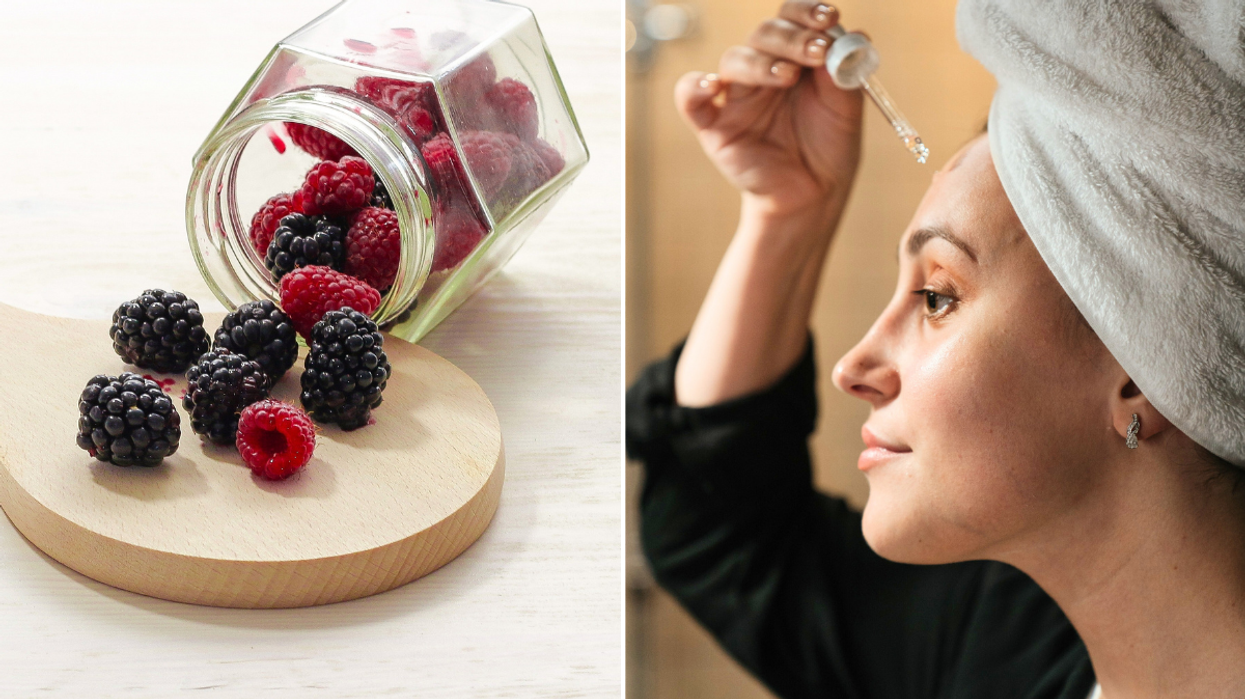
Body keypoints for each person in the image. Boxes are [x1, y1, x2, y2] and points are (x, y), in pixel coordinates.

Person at [625, 1, 1245, 697]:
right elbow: (723, 535)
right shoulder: (1000, 642)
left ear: (1139, 374)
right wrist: (787, 212)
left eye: (936, 297)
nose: (852, 368)